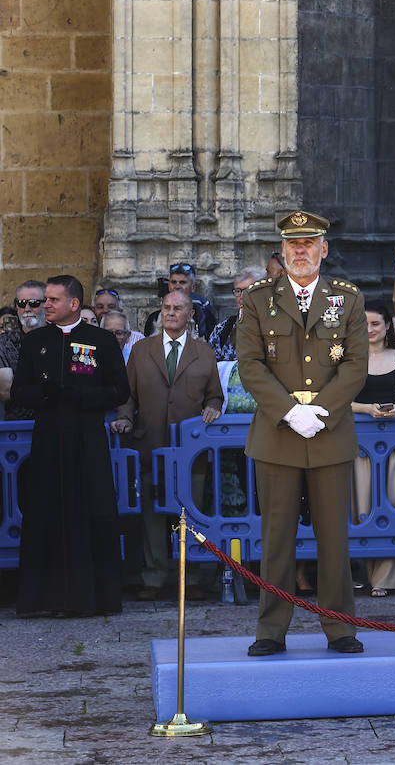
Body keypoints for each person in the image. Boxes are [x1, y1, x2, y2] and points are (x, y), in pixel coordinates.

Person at [236, 210, 369, 656]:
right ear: (282, 251)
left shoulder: (347, 298)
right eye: (292, 244)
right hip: (278, 432)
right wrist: (290, 411)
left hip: (329, 433)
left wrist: (322, 411)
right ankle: (271, 630)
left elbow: (355, 364)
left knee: (334, 538)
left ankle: (340, 626)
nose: (300, 251)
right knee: (277, 539)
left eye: (309, 243)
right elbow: (250, 364)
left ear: (323, 249)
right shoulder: (257, 299)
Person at [10, 275, 130, 616]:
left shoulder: (101, 340)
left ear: (73, 304)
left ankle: (95, 598)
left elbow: (119, 390)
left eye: (52, 299)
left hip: (87, 439)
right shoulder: (36, 342)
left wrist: (83, 396)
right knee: (47, 513)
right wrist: (47, 394)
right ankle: (45, 600)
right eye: (44, 299)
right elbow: (20, 391)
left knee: (91, 511)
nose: (44, 305)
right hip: (48, 439)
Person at [111, 290, 224, 600]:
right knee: (151, 514)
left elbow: (215, 394)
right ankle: (154, 576)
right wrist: (125, 419)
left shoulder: (204, 352)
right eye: (166, 307)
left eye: (178, 308)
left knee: (193, 511)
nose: (171, 312)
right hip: (150, 443)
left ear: (190, 315)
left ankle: (195, 576)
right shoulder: (141, 350)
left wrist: (214, 407)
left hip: (192, 451)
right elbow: (127, 396)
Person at [350, 300, 395, 597]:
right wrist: (369, 409)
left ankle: (387, 579)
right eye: (364, 324)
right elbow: (340, 400)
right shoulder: (351, 359)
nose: (370, 329)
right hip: (360, 443)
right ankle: (366, 572)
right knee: (362, 506)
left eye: (376, 323)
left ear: (388, 325)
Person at [0, 280, 49, 421]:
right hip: (19, 426)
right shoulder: (4, 341)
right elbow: (6, 392)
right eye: (21, 303)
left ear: (47, 304)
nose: (27, 308)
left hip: (56, 423)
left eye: (34, 303)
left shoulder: (60, 337)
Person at [208, 268, 266, 361]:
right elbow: (210, 368)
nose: (242, 297)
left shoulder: (276, 326)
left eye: (248, 290)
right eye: (238, 291)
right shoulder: (222, 330)